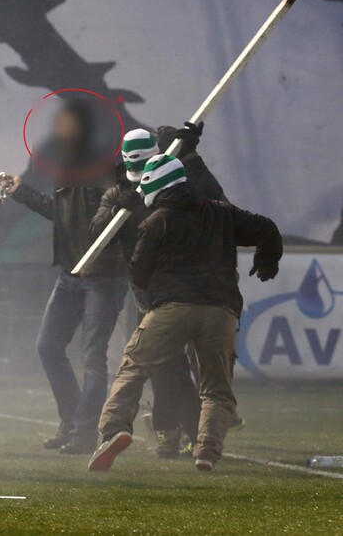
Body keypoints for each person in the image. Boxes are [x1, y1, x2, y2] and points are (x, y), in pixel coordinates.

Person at [89, 154, 282, 473]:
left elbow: (138, 270)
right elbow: (266, 228)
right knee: (216, 388)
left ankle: (115, 430)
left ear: (154, 185)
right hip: (220, 309)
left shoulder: (155, 221)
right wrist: (267, 260)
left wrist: (150, 303)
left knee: (134, 367)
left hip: (171, 308)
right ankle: (206, 450)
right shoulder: (222, 212)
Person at [0, 99, 129, 454]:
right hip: (70, 275)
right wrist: (20, 190)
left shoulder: (104, 167)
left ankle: (85, 432)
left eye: (66, 123)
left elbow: (113, 219)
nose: (58, 130)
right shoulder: (68, 167)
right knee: (48, 347)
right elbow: (60, 214)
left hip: (102, 277)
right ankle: (71, 421)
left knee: (93, 356)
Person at [90, 123, 224, 458]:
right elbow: (96, 237)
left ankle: (185, 435)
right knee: (164, 365)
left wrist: (190, 157)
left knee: (184, 365)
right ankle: (176, 433)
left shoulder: (174, 180)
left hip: (192, 287)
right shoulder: (116, 192)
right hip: (150, 294)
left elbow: (209, 196)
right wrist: (118, 208)